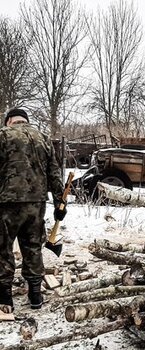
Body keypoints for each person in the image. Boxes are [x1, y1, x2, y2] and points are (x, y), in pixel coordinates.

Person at [0, 108, 66, 312]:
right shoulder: (43, 138)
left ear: (9, 121)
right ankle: (35, 295)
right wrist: (60, 203)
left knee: (3, 249)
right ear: (26, 121)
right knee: (32, 247)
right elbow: (54, 173)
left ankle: (4, 298)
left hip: (6, 203)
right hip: (36, 203)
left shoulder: (2, 135)